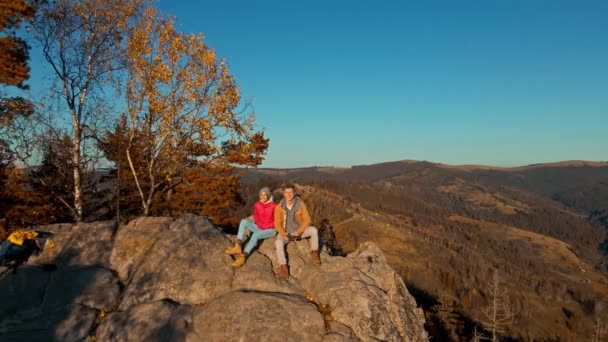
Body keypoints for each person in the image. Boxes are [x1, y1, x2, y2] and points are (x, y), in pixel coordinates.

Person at [274, 184, 321, 279]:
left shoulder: (300, 204)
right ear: (283, 194)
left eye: (290, 192)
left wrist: (298, 232)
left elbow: (307, 220)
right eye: (286, 192)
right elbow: (277, 224)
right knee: (278, 242)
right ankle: (284, 269)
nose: (288, 194)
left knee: (313, 230)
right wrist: (283, 234)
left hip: (298, 232)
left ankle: (314, 254)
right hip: (286, 233)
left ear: (294, 193)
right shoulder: (279, 207)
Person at [225, 187, 277, 268]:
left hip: (270, 230)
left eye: (265, 195)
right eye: (261, 195)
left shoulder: (274, 206)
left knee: (255, 235)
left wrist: (266, 227)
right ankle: (237, 246)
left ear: (269, 196)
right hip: (259, 227)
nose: (263, 197)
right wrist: (258, 225)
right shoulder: (257, 204)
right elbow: (256, 216)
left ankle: (243, 256)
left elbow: (277, 220)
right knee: (243, 222)